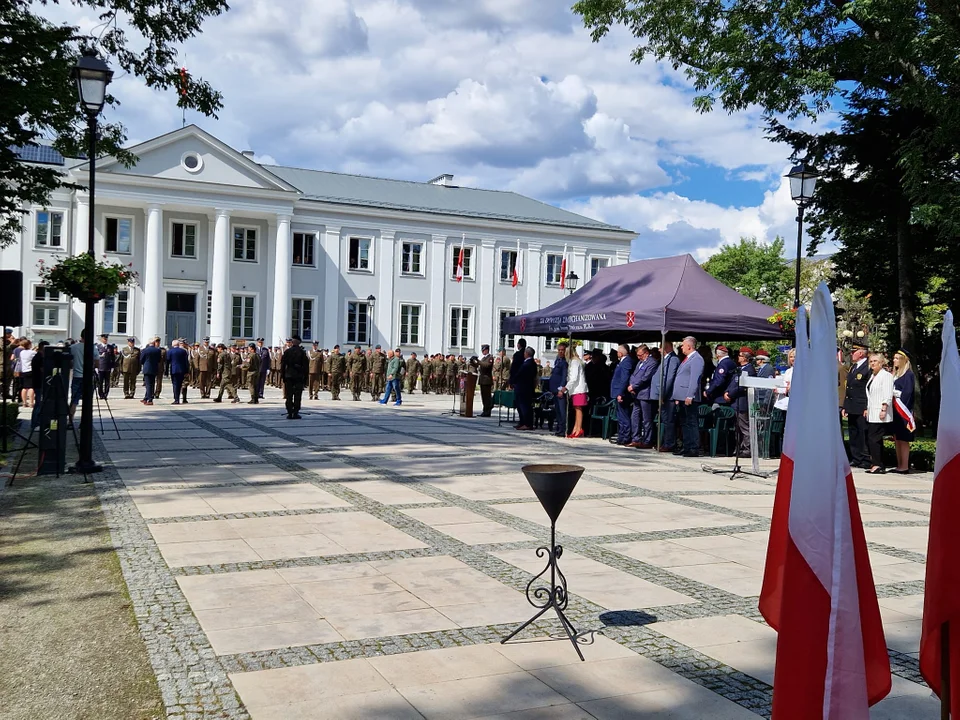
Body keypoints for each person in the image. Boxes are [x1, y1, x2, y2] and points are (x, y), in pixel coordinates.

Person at [672, 336, 704, 457]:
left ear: (689, 346)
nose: (681, 347)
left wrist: (690, 395)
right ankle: (687, 445)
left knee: (691, 422)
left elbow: (694, 379)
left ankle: (693, 447)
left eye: (683, 345)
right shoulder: (687, 359)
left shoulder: (696, 359)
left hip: (689, 397)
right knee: (684, 422)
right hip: (681, 397)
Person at [864, 352, 894, 473]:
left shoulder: (885, 376)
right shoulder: (873, 376)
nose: (872, 363)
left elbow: (887, 394)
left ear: (881, 362)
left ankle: (877, 464)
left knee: (874, 438)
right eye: (871, 361)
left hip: (880, 411)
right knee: (874, 438)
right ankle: (878, 463)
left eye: (875, 361)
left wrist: (884, 409)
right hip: (872, 411)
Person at [725, 347, 757, 457]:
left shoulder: (749, 370)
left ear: (745, 357)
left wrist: (730, 394)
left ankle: (748, 449)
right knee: (737, 427)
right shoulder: (739, 369)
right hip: (735, 402)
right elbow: (733, 383)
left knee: (744, 427)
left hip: (742, 401)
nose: (738, 357)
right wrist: (727, 392)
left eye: (740, 355)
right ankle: (740, 447)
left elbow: (742, 385)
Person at [842, 343, 870, 468]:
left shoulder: (867, 367)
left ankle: (865, 458)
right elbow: (849, 388)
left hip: (861, 405)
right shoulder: (854, 367)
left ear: (861, 353)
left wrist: (866, 407)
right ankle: (856, 457)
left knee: (862, 432)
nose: (852, 354)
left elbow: (867, 388)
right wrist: (845, 406)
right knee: (853, 433)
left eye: (854, 351)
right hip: (852, 405)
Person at [891, 350, 918, 473]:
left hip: (903, 411)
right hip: (895, 410)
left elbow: (907, 393)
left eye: (897, 358)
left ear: (904, 360)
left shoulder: (908, 374)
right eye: (894, 358)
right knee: (897, 438)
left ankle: (904, 465)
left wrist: (896, 395)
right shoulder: (895, 374)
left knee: (903, 439)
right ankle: (899, 464)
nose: (894, 360)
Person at [629, 344, 659, 448]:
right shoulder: (640, 363)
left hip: (645, 393)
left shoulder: (652, 362)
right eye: (637, 355)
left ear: (646, 353)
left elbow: (646, 378)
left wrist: (634, 386)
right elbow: (634, 375)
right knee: (635, 416)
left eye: (640, 355)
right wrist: (631, 386)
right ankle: (636, 438)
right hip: (637, 394)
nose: (639, 357)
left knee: (647, 419)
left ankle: (648, 440)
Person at [654, 341, 679, 451]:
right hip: (665, 396)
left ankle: (669, 443)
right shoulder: (667, 359)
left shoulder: (673, 359)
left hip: (668, 396)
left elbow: (669, 378)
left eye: (660, 347)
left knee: (669, 421)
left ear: (666, 347)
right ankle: (665, 442)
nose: (659, 350)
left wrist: (663, 394)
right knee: (665, 420)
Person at [610, 344, 635, 446]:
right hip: (617, 392)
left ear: (620, 353)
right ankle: (621, 436)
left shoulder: (627, 362)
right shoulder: (623, 361)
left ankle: (625, 437)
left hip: (622, 394)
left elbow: (624, 379)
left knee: (624, 416)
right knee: (620, 416)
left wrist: (620, 393)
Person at [281, 335, 309, 419]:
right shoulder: (302, 352)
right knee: (297, 395)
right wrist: (305, 378)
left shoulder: (287, 352)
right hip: (298, 377)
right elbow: (306, 367)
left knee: (289, 395)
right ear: (299, 342)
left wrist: (283, 376)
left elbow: (283, 365)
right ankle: (295, 412)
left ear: (292, 342)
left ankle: (289, 412)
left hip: (289, 376)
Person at [565, 345, 588, 438]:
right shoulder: (576, 361)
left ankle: (578, 428)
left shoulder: (574, 362)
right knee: (577, 409)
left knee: (578, 409)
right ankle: (576, 428)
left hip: (578, 389)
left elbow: (574, 378)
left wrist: (566, 387)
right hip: (577, 389)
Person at [514, 346, 537, 430]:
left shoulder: (528, 364)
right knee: (521, 406)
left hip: (524, 388)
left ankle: (527, 423)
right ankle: (523, 422)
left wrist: (513, 380)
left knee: (525, 406)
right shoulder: (529, 363)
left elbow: (520, 375)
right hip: (525, 387)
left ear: (527, 354)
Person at [548, 343, 568, 437]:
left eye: (562, 350)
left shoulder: (564, 362)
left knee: (562, 410)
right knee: (557, 410)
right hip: (554, 390)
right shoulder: (558, 360)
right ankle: (559, 428)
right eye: (559, 350)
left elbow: (564, 377)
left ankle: (563, 429)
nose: (560, 352)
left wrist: (561, 389)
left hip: (560, 390)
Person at [139, 337, 162, 406]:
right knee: (151, 384)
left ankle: (149, 399)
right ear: (154, 343)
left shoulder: (145, 350)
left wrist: (144, 364)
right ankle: (146, 398)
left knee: (148, 385)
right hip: (154, 368)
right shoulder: (157, 350)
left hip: (147, 368)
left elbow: (141, 360)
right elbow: (159, 360)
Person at [168, 340, 189, 405]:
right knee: (180, 385)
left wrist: (166, 371)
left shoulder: (170, 351)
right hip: (181, 370)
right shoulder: (183, 351)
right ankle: (180, 398)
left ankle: (176, 399)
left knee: (175, 384)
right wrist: (187, 371)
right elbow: (186, 362)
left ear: (173, 345)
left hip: (174, 370)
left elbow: (167, 361)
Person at [18, 340, 37, 409]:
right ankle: (31, 403)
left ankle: (24, 402)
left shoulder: (21, 352)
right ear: (29, 345)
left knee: (24, 387)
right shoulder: (32, 352)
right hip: (31, 370)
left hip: (23, 370)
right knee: (31, 387)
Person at [477, 344, 494, 417]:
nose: (483, 351)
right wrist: (474, 361)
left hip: (487, 380)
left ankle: (487, 411)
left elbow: (487, 365)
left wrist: (478, 361)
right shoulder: (483, 358)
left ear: (487, 350)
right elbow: (480, 365)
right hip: (482, 379)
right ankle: (485, 410)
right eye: (482, 350)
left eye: (484, 350)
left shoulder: (490, 358)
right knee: (483, 396)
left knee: (487, 397)